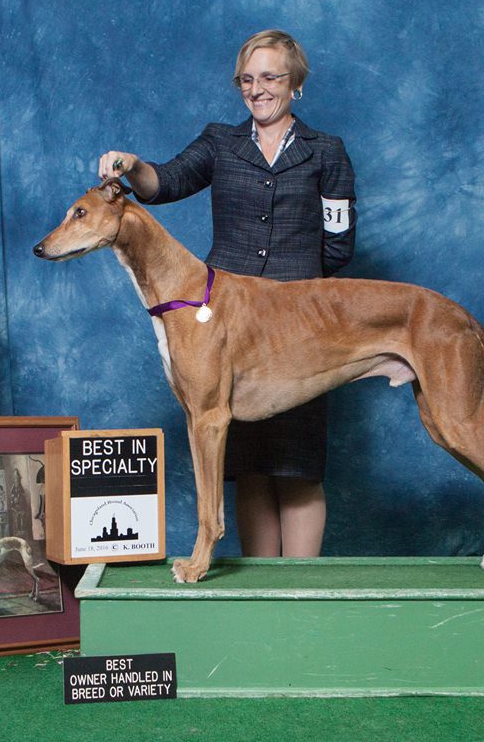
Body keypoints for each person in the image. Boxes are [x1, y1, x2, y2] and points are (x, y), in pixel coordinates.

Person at [98, 30, 356, 558]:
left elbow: (339, 243)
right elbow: (162, 182)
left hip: (299, 325)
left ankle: (300, 590)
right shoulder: (220, 142)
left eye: (270, 77)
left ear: (296, 83)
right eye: (247, 79)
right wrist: (131, 163)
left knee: (299, 466)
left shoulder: (326, 151)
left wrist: (295, 295)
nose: (257, 89)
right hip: (222, 322)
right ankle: (259, 591)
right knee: (249, 467)